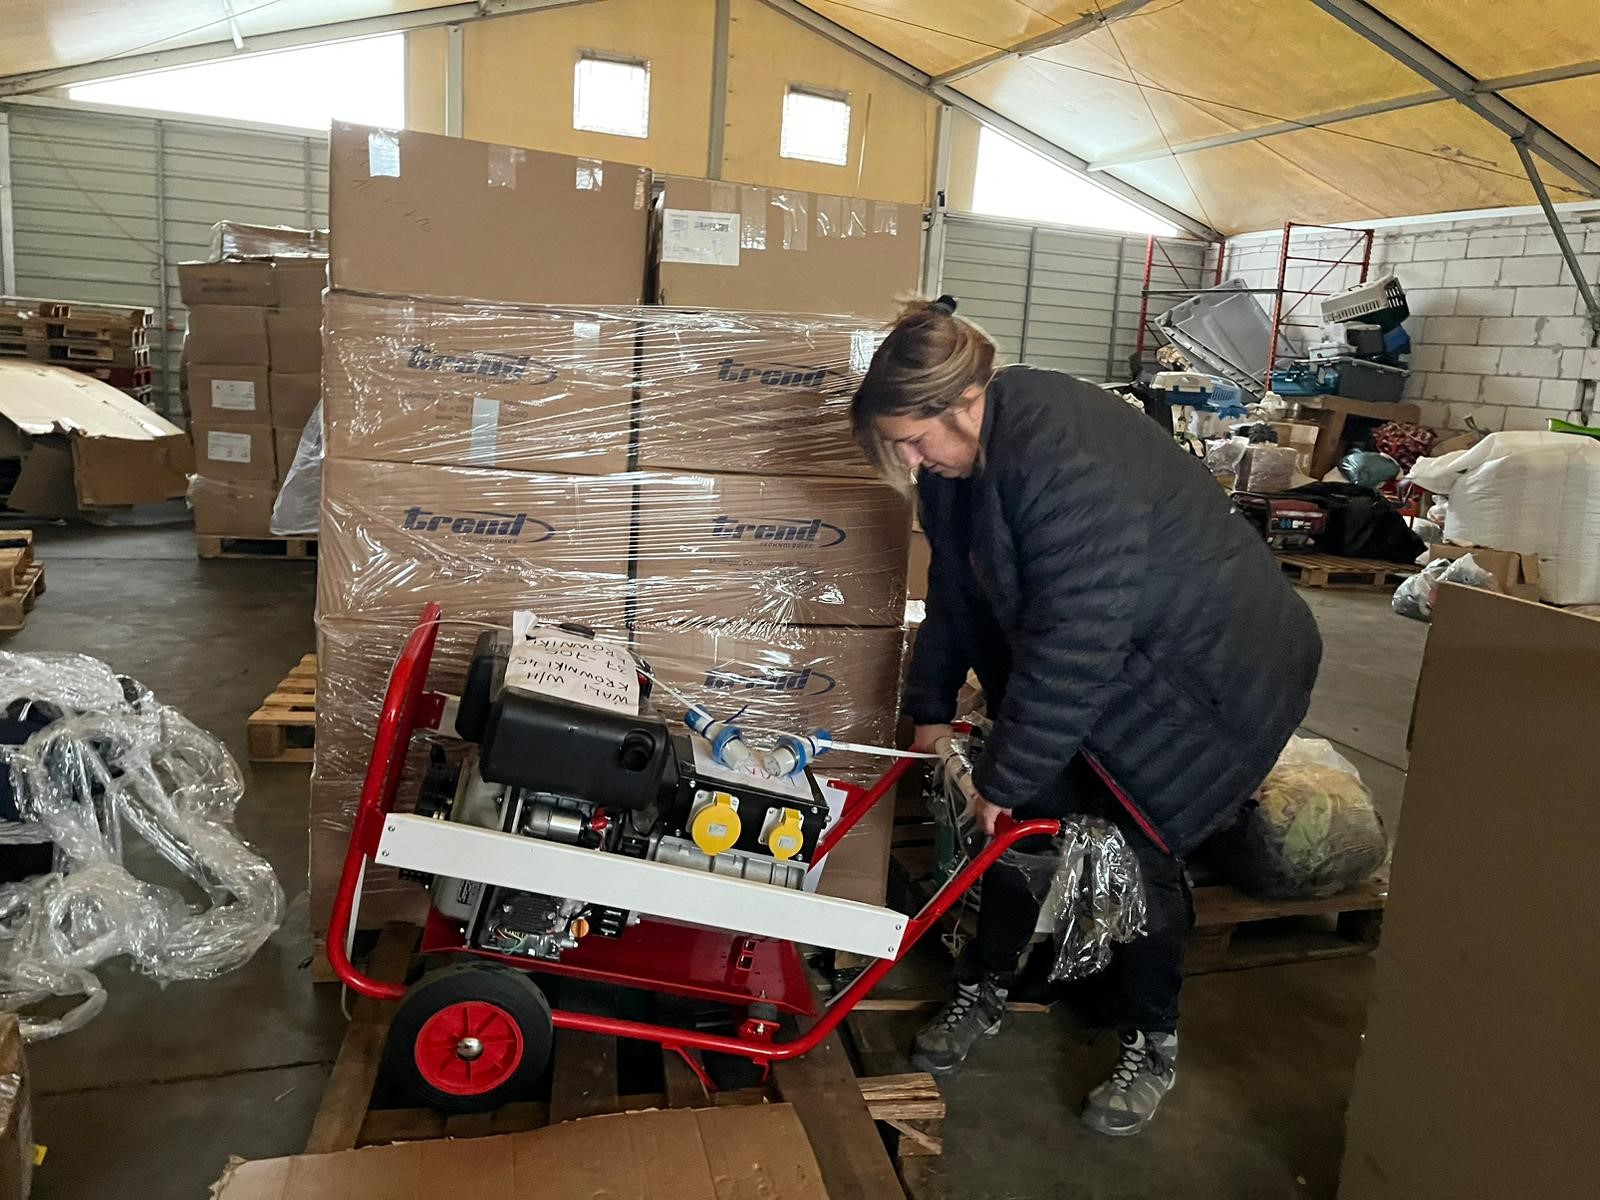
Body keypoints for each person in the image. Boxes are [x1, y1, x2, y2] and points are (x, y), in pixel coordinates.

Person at [852, 296, 1322, 1137]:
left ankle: (1153, 1038)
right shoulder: (960, 469)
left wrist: (1010, 771)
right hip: (1120, 656)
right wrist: (929, 711)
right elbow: (957, 596)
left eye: (915, 439)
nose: (912, 459)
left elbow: (1078, 634)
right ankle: (985, 987)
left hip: (1208, 678)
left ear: (962, 401)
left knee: (1134, 848)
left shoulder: (1062, 452)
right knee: (1017, 829)